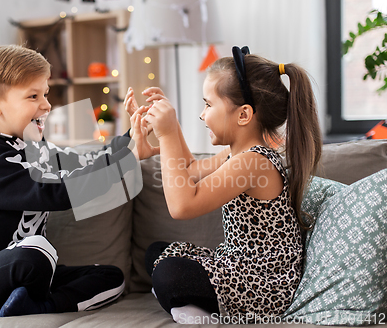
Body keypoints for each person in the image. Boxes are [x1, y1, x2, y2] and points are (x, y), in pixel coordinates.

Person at [0, 45, 152, 317]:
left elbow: (82, 160)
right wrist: (124, 164)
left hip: (35, 269)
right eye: (33, 96)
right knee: (37, 250)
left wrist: (130, 140)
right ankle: (30, 297)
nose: (46, 105)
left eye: (45, 93)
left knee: (111, 277)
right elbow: (55, 192)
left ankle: (41, 305)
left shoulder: (32, 146)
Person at [126, 46, 322, 322]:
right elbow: (191, 170)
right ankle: (191, 303)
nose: (202, 115)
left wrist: (168, 133)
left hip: (263, 287)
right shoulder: (239, 154)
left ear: (243, 115)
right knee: (156, 252)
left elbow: (182, 206)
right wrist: (168, 133)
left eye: (208, 105)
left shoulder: (254, 162)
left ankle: (196, 308)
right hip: (236, 266)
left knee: (169, 273)